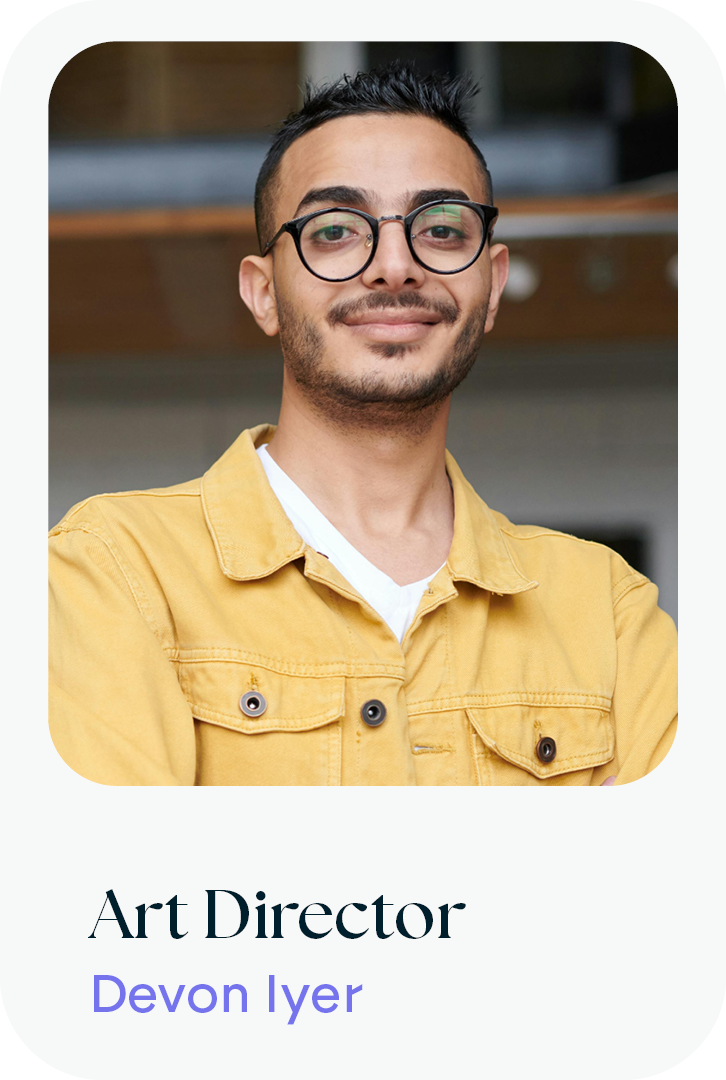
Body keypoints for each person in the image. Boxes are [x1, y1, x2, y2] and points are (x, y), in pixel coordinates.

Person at [49, 63, 677, 786]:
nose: (394, 266)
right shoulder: (114, 571)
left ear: (493, 284)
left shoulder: (609, 610)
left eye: (441, 228)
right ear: (263, 293)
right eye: (336, 230)